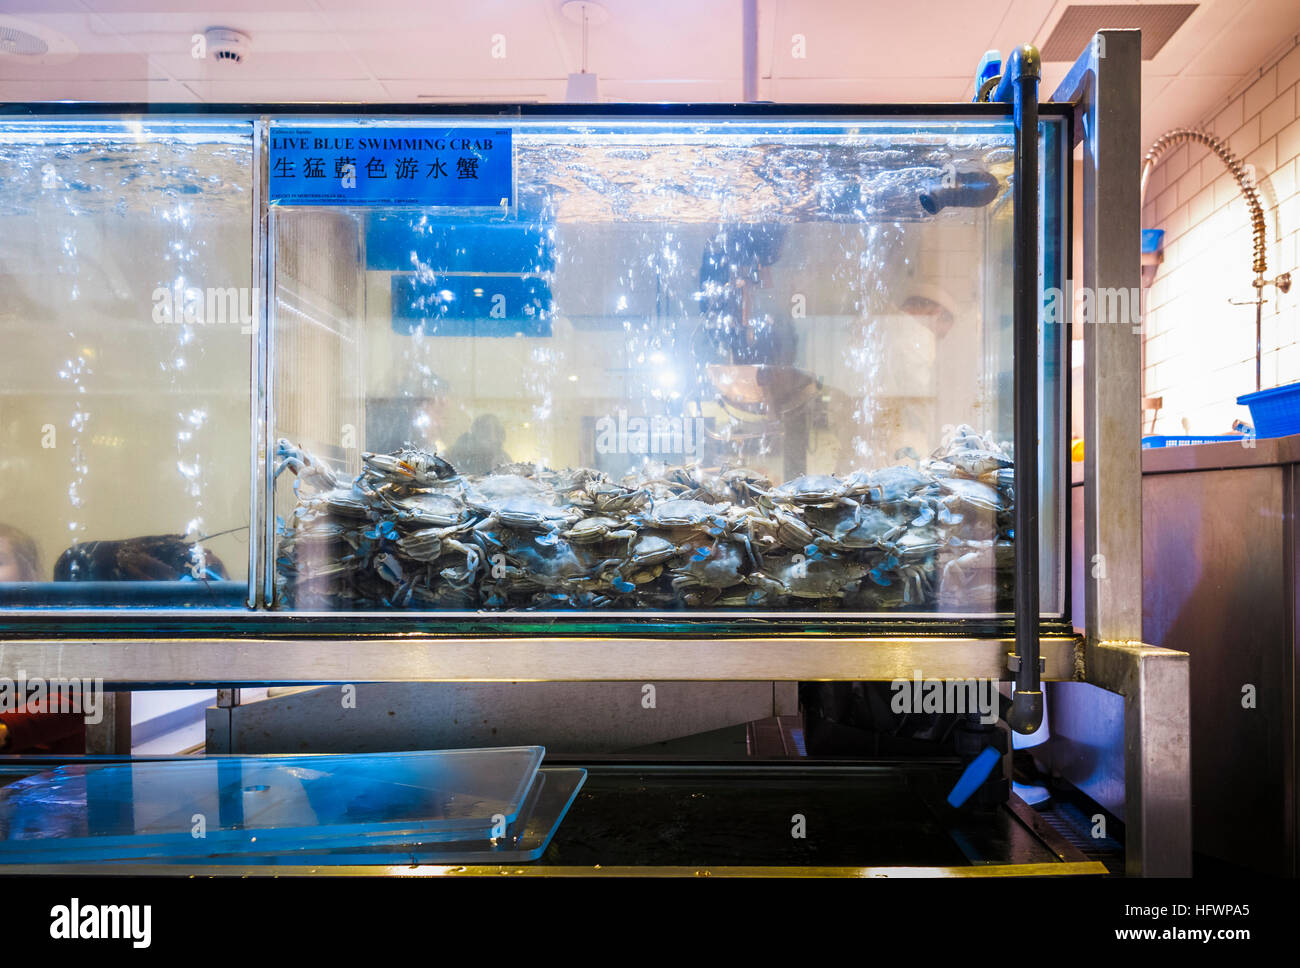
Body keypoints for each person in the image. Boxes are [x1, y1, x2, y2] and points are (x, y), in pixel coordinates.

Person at [0, 524, 86, 754]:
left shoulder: (55, 624)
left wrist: (5, 727)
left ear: (27, 572)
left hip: (48, 775)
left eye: (0, 561)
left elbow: (75, 702)